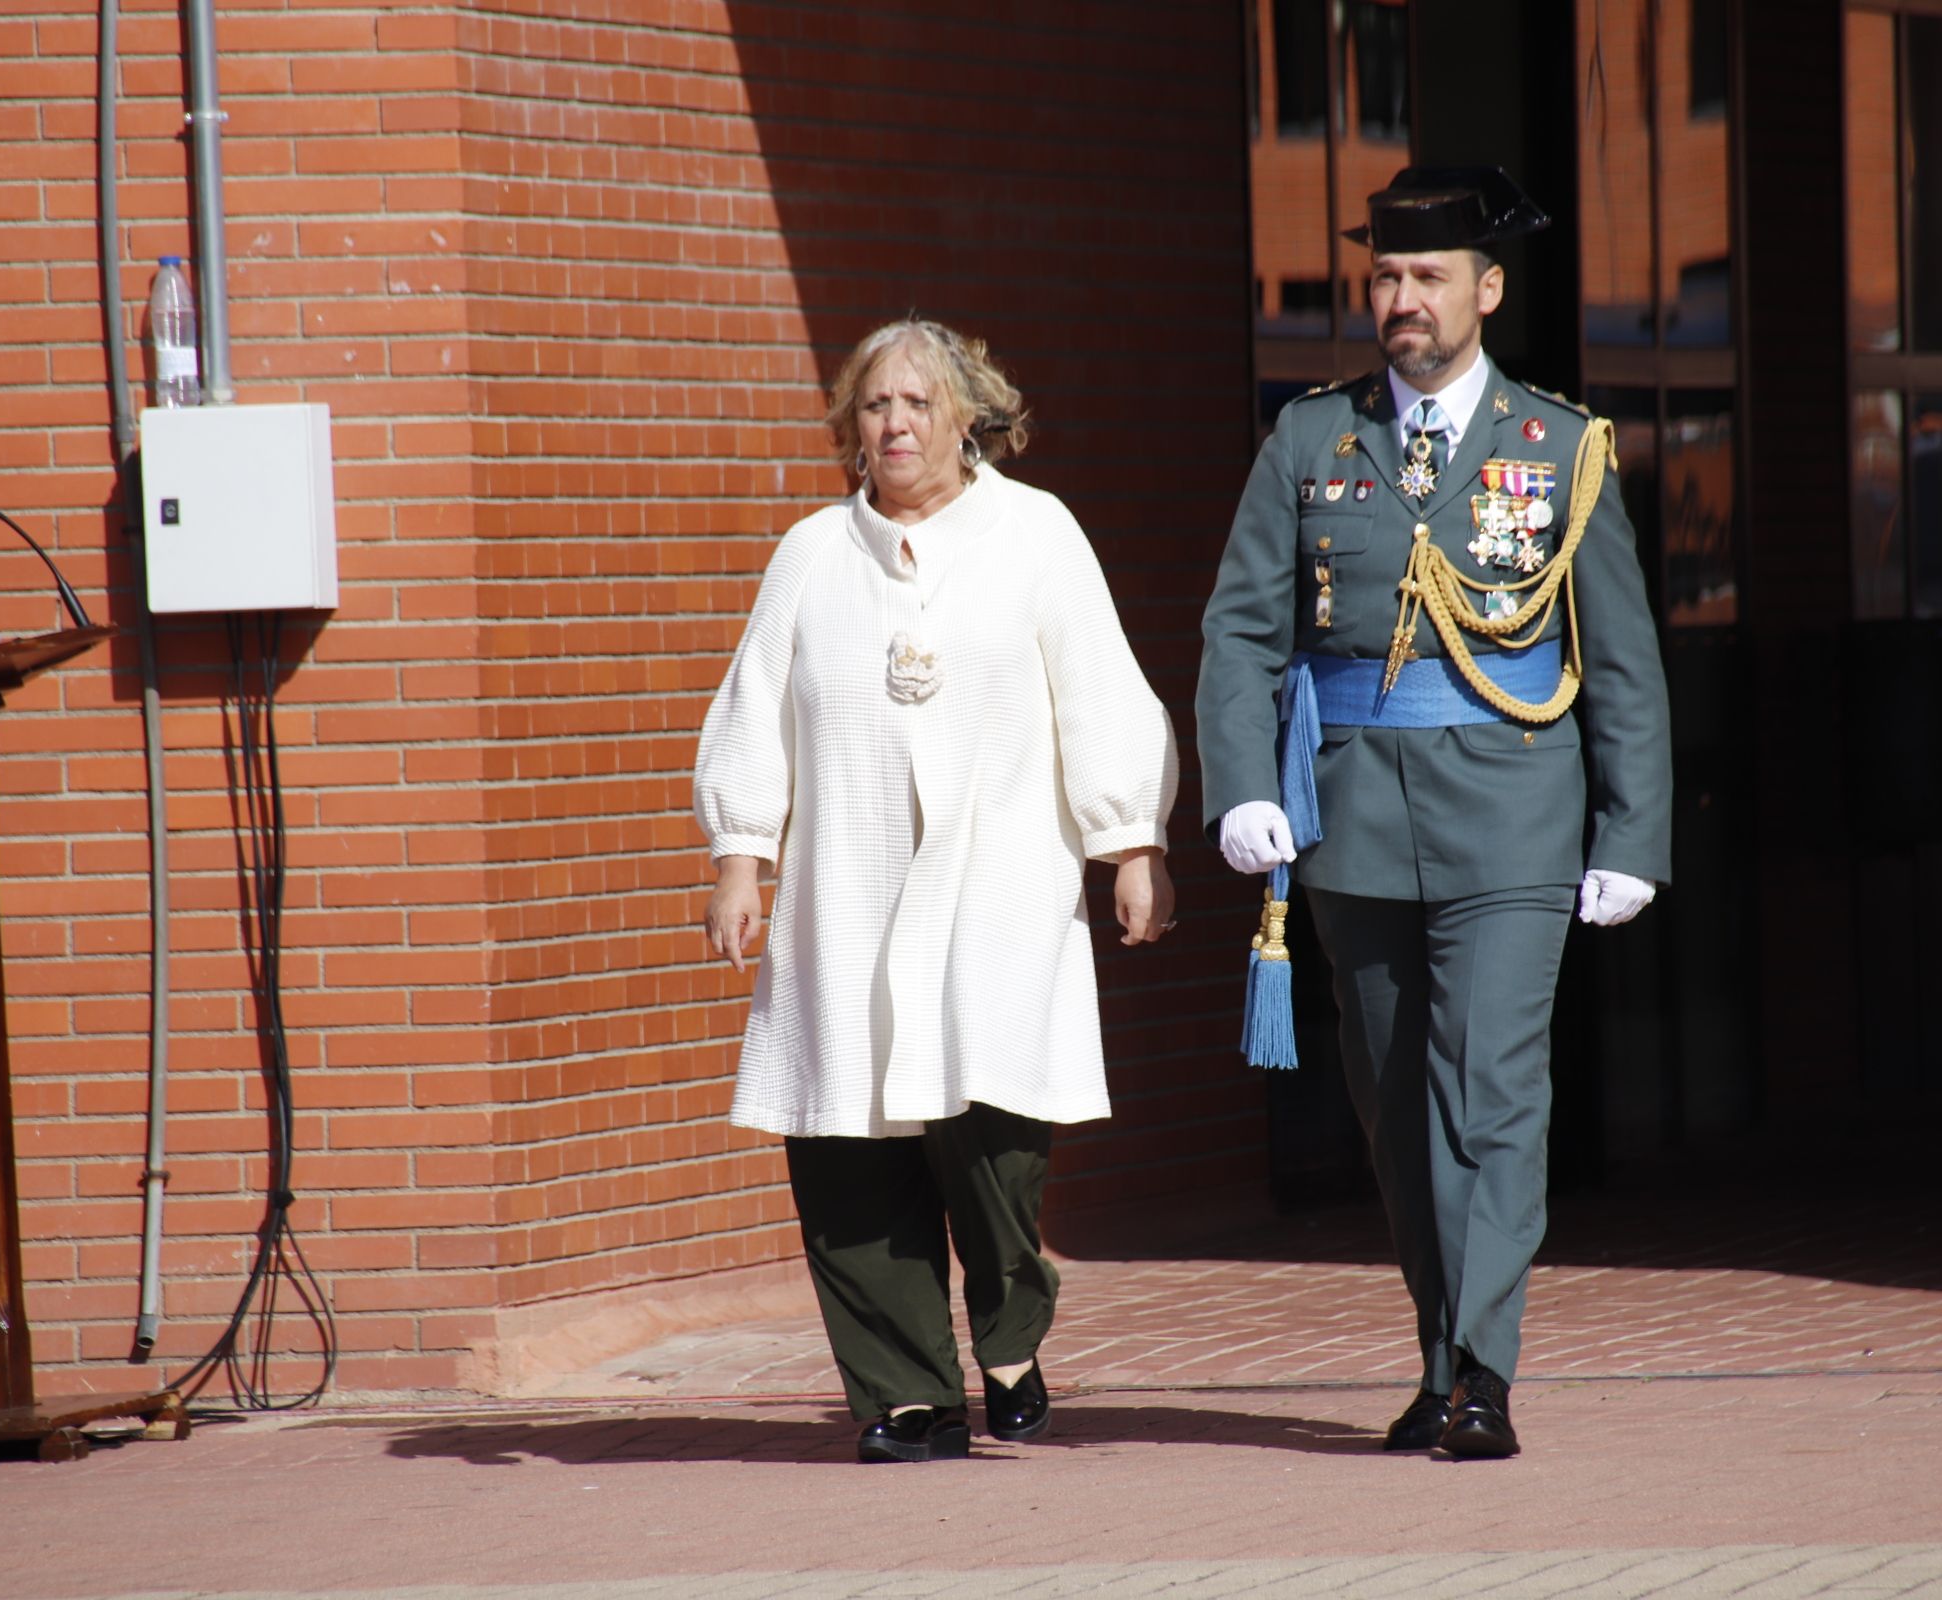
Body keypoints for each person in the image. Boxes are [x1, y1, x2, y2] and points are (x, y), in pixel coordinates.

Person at [1196, 167, 1671, 1460]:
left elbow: (1618, 654)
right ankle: (1440, 1356)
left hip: (1515, 812)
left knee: (1492, 1092)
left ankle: (1487, 1376)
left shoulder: (1560, 446)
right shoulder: (1311, 439)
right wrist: (1242, 782)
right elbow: (1243, 630)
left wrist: (1631, 835)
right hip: (1354, 815)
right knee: (1398, 1106)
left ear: (1488, 290)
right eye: (1386, 279)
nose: (1400, 301)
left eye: (1427, 279)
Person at [695, 318, 1180, 1464]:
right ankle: (904, 1393)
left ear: (969, 416)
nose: (897, 423)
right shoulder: (813, 553)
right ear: (852, 431)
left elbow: (1102, 690)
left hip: (998, 885)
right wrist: (740, 855)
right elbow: (756, 707)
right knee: (851, 1147)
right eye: (875, 407)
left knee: (994, 1131)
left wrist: (1130, 843)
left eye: (919, 403)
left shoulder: (1037, 532)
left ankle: (1009, 1331)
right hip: (846, 893)